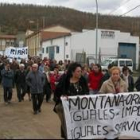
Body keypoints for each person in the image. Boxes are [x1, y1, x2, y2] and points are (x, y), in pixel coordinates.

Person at [53, 62, 89, 139]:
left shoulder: (83, 80)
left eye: (81, 71)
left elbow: (87, 91)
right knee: (68, 129)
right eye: (78, 71)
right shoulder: (65, 79)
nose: (80, 73)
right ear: (72, 72)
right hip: (67, 110)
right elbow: (57, 92)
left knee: (79, 129)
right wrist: (62, 96)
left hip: (79, 110)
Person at [99, 66, 128, 139]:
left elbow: (127, 95)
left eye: (117, 74)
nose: (115, 75)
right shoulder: (105, 83)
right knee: (108, 129)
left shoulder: (123, 84)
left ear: (119, 74)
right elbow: (100, 95)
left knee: (117, 129)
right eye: (114, 74)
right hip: (108, 111)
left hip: (119, 110)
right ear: (111, 74)